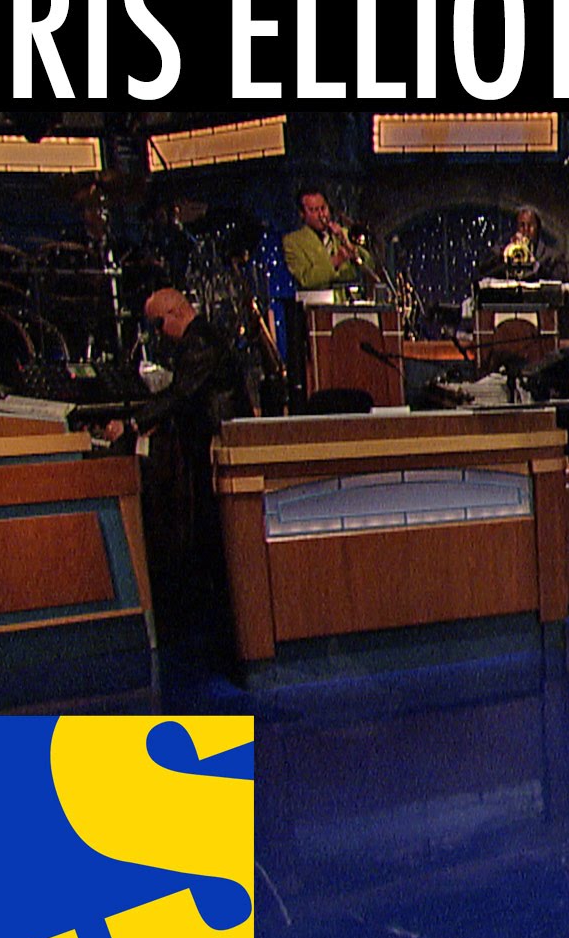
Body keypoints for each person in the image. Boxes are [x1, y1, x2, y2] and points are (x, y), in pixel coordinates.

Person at [102, 288, 254, 629]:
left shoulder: (199, 342)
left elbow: (180, 394)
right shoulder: (198, 339)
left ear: (175, 314)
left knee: (213, 529)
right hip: (209, 443)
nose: (158, 334)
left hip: (220, 445)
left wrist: (132, 424)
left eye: (158, 324)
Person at [282, 186, 375, 291]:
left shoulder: (344, 233)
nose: (321, 215)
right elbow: (305, 279)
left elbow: (370, 266)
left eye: (323, 208)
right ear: (302, 214)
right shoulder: (293, 241)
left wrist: (351, 248)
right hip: (318, 299)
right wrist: (336, 261)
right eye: (314, 210)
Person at [490, 206, 569, 282]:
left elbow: (563, 279)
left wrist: (537, 267)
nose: (526, 230)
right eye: (522, 225)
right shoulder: (504, 251)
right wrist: (503, 256)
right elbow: (487, 272)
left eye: (530, 225)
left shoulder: (553, 256)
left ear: (538, 228)